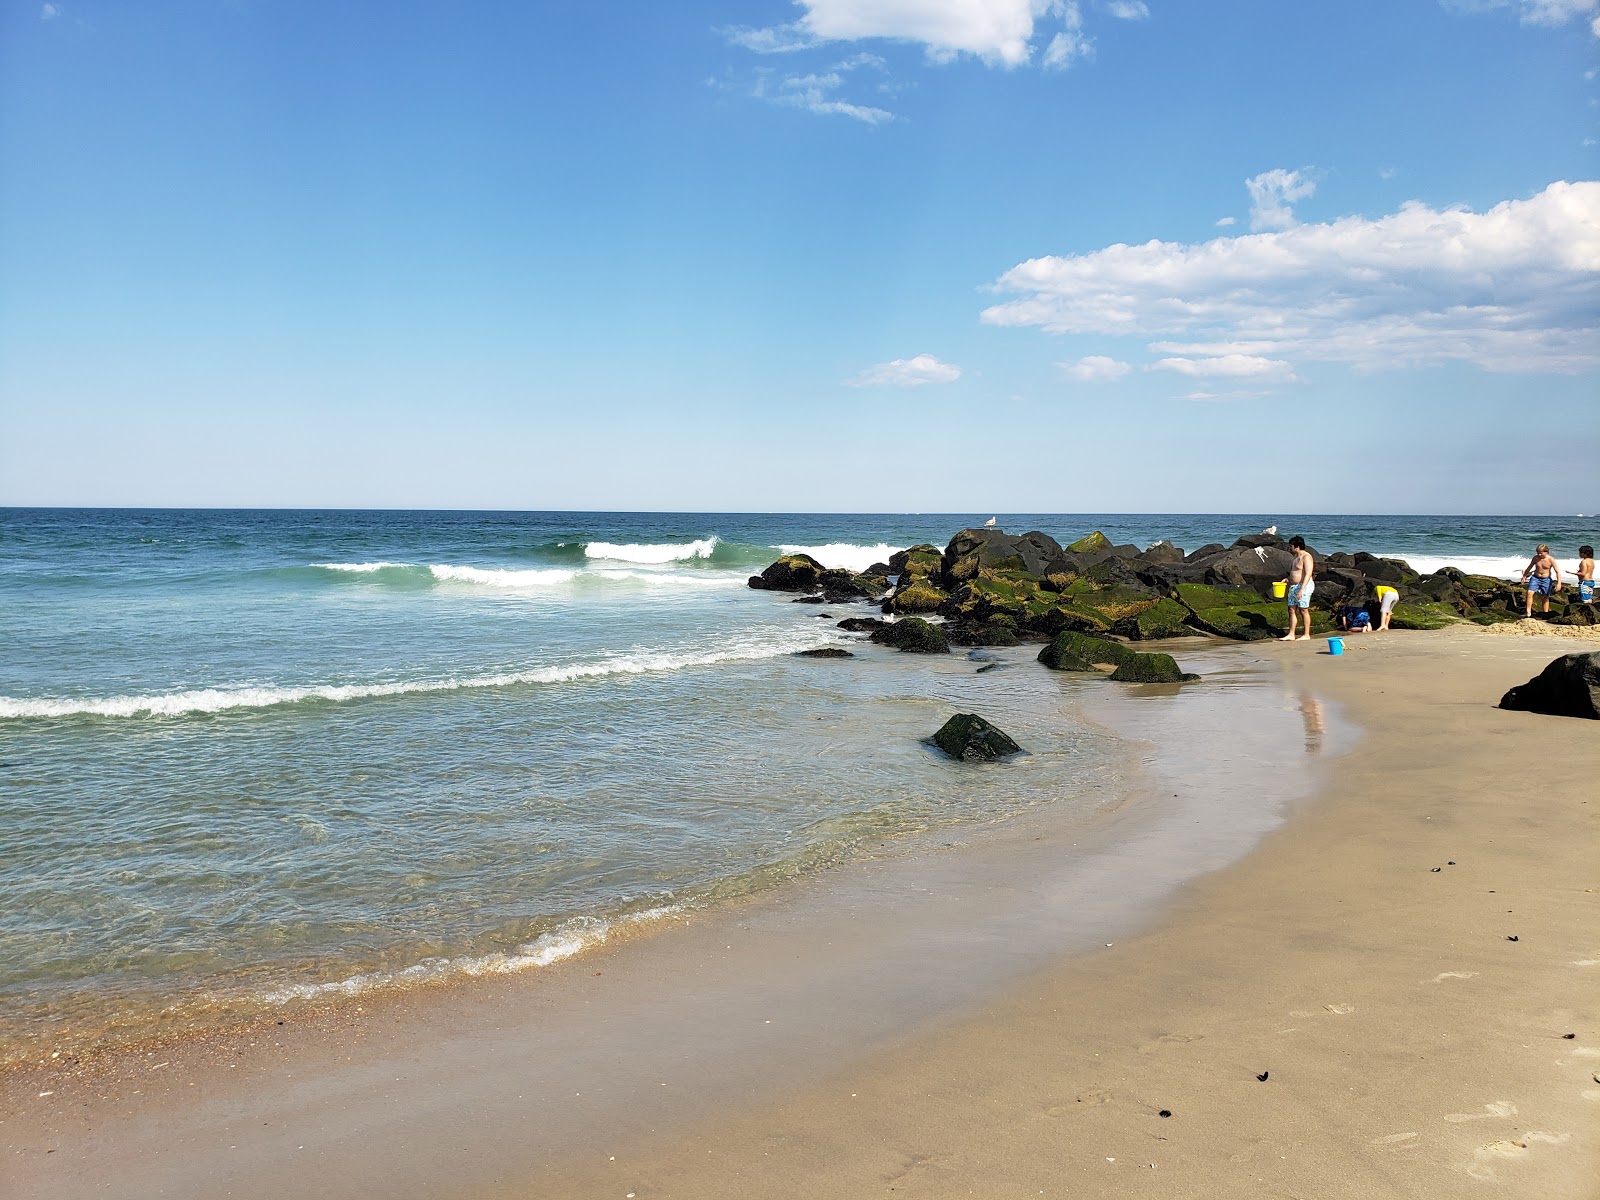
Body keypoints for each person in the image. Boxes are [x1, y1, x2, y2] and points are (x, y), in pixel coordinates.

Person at [1279, 535, 1315, 641]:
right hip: (1294, 585)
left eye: (1291, 546)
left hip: (1304, 585)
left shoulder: (1306, 557)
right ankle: (1291, 634)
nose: (1290, 548)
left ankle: (1306, 634)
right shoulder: (1295, 557)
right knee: (1291, 609)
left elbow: (1308, 574)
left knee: (1303, 609)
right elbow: (1295, 572)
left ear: (1297, 546)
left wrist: (1301, 589)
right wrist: (1287, 579)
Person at [1520, 543, 1561, 617]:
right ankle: (1528, 612)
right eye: (1538, 553)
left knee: (1545, 596)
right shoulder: (1535, 558)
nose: (1539, 555)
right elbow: (1529, 567)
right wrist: (1524, 576)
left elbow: (1557, 571)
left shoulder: (1551, 559)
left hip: (1546, 579)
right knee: (1529, 593)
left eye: (1541, 553)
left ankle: (1545, 613)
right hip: (1535, 578)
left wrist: (1559, 583)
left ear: (1546, 552)